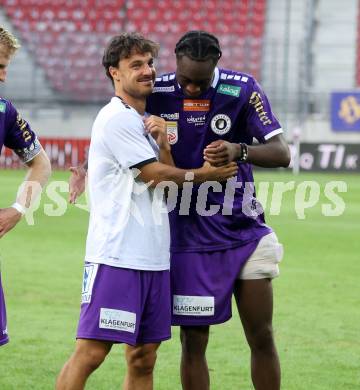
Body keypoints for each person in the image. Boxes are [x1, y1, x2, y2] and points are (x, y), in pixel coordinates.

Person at [69, 30, 290, 390]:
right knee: (193, 343)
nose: (189, 88)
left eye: (199, 82)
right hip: (187, 236)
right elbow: (116, 135)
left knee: (261, 335)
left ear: (217, 64)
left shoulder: (243, 89)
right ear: (175, 64)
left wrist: (238, 150)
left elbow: (282, 153)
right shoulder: (156, 88)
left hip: (244, 230)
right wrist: (85, 166)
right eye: (185, 79)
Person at [0, 27, 51, 346]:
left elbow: (41, 164)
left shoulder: (4, 112)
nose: (3, 77)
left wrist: (18, 209)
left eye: (5, 67)